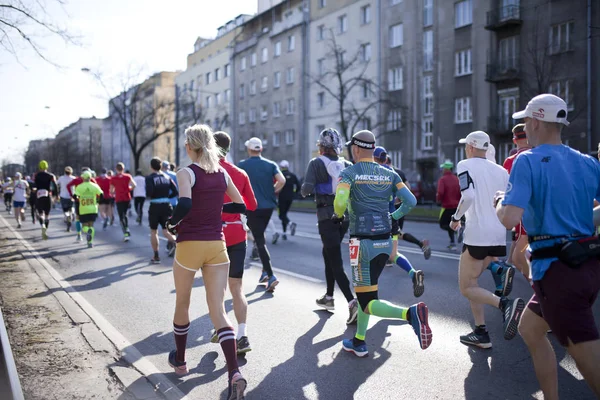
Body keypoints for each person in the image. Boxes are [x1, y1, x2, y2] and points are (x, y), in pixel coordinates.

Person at [497, 94, 600, 399]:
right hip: (586, 265)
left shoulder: (527, 160)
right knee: (530, 328)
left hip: (557, 274)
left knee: (589, 362)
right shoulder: (587, 162)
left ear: (536, 121)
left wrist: (499, 203)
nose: (525, 128)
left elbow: (509, 219)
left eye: (526, 121)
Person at [165, 124, 248, 399]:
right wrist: (215, 209)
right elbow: (240, 206)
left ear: (190, 146)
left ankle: (180, 361)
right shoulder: (222, 172)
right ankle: (234, 372)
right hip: (217, 246)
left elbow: (185, 205)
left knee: (183, 303)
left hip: (189, 245)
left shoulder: (185, 172)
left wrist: (171, 222)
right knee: (218, 312)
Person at [335, 130, 432, 357]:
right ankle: (359, 341)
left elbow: (340, 203)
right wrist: (393, 216)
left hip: (362, 244)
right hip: (386, 242)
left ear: (356, 149)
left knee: (367, 301)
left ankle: (410, 314)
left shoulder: (349, 173)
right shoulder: (389, 173)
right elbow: (411, 201)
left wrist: (338, 212)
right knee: (366, 291)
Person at [449, 130, 520, 349]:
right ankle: (481, 332)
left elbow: (468, 195)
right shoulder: (500, 170)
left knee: (466, 287)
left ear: (470, 146)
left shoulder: (465, 165)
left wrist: (455, 218)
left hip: (477, 233)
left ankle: (505, 304)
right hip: (498, 232)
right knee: (475, 282)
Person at [301, 128, 358, 324]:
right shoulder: (347, 164)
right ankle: (329, 297)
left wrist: (310, 186)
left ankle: (352, 303)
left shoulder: (316, 163)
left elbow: (306, 190)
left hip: (326, 216)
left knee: (335, 261)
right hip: (345, 216)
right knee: (328, 253)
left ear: (322, 147)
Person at [210, 131, 258, 354]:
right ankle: (242, 335)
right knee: (237, 288)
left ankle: (221, 328)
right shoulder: (240, 173)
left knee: (217, 288)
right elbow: (252, 205)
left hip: (214, 235)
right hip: (238, 234)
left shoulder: (207, 172)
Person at [374, 147, 426, 297]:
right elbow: (408, 197)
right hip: (391, 219)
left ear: (374, 158)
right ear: (385, 159)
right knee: (393, 254)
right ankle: (413, 273)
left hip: (375, 220)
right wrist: (395, 212)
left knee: (369, 254)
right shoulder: (393, 174)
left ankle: (368, 294)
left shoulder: (371, 173)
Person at [238, 137, 286, 292]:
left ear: (248, 149)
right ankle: (265, 272)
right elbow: (282, 180)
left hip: (252, 207)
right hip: (268, 206)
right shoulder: (271, 164)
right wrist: (273, 190)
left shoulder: (242, 165)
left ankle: (271, 275)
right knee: (260, 236)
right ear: (261, 149)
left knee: (259, 240)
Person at [377, 149, 431, 260]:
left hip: (388, 209)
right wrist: (399, 200)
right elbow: (408, 189)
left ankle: (390, 256)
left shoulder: (383, 173)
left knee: (390, 233)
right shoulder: (399, 173)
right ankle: (420, 244)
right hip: (400, 209)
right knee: (398, 233)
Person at [502, 123, 533, 284]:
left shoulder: (511, 160)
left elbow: (506, 188)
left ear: (515, 140)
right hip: (543, 211)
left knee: (519, 256)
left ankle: (541, 290)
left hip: (521, 211)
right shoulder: (539, 154)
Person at [146, 158, 178, 263]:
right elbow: (175, 191)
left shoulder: (150, 178)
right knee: (166, 230)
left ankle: (156, 256)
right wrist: (166, 196)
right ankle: (178, 243)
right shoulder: (167, 177)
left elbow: (149, 193)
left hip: (155, 206)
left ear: (151, 167)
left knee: (154, 231)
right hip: (166, 205)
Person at [73, 171, 103, 248]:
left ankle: (87, 231)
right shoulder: (95, 186)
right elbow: (101, 194)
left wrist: (79, 199)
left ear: (83, 178)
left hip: (83, 209)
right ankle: (89, 243)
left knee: (84, 227)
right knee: (91, 226)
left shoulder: (79, 186)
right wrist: (97, 202)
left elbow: (75, 196)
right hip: (93, 209)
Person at [67, 167, 97, 241]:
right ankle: (89, 239)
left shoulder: (77, 180)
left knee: (78, 218)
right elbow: (97, 189)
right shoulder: (92, 180)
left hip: (79, 201)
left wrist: (72, 195)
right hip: (89, 202)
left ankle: (79, 235)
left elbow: (68, 186)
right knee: (90, 221)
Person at [437, 160, 461, 250]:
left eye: (443, 168)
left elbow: (440, 192)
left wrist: (438, 199)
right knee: (452, 223)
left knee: (443, 224)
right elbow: (461, 192)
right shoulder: (456, 179)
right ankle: (452, 243)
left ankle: (457, 230)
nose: (442, 169)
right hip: (456, 206)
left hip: (446, 206)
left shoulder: (442, 179)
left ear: (447, 169)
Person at [110, 163, 136, 242]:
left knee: (121, 216)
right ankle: (126, 228)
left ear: (116, 169)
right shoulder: (128, 176)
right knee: (125, 214)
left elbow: (111, 190)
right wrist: (128, 189)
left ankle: (126, 232)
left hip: (119, 198)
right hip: (127, 198)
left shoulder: (113, 178)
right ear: (123, 168)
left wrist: (115, 191)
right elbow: (134, 185)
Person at [34, 160, 57, 240]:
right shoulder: (51, 176)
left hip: (39, 195)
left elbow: (34, 185)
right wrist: (55, 196)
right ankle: (46, 229)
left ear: (39, 167)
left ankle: (42, 225)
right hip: (48, 195)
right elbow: (55, 186)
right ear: (47, 167)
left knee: (41, 213)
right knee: (47, 214)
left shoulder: (36, 175)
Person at [277, 160, 299, 240]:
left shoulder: (280, 175)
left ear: (281, 167)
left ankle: (290, 224)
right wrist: (294, 194)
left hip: (282, 198)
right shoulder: (293, 175)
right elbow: (298, 185)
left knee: (281, 215)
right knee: (284, 215)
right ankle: (284, 233)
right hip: (290, 198)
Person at [57, 166, 75, 232]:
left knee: (65, 210)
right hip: (71, 196)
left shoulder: (61, 178)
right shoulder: (73, 178)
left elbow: (56, 183)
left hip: (63, 196)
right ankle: (72, 213)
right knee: (72, 207)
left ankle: (67, 216)